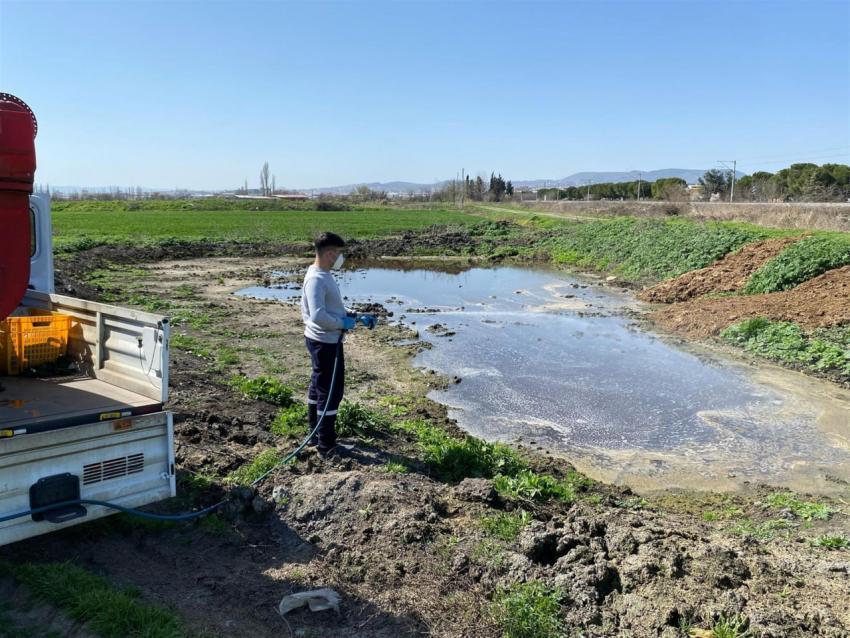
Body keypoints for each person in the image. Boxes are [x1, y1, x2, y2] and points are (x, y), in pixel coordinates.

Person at [300, 232, 374, 456]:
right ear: (330, 253)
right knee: (330, 392)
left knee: (318, 385)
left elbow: (330, 308)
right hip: (325, 342)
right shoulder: (316, 279)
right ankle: (326, 445)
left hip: (324, 340)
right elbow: (318, 316)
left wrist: (354, 315)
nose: (341, 258)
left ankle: (315, 433)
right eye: (339, 253)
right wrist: (342, 323)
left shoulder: (323, 274)